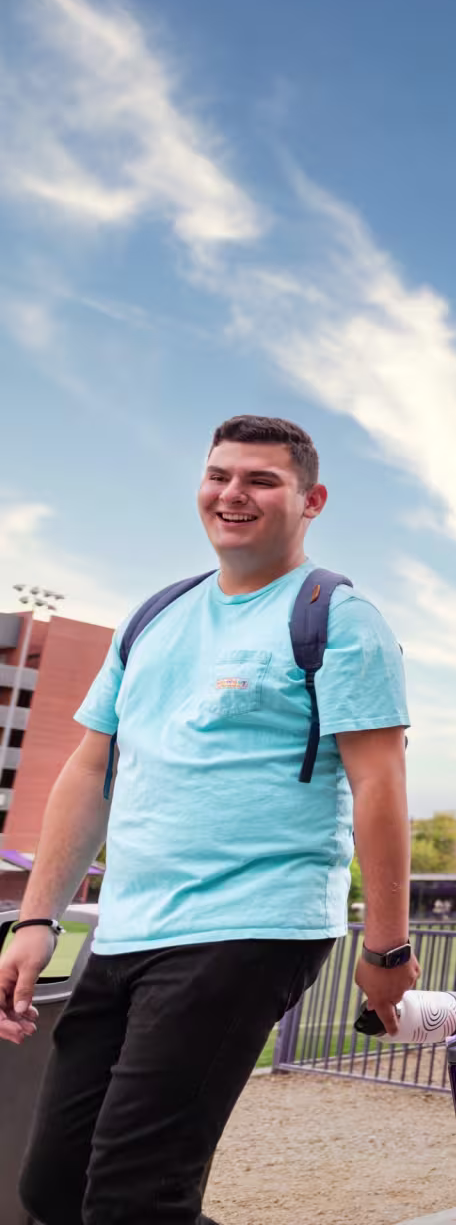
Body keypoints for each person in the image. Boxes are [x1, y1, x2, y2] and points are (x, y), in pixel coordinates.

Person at [0, 415, 415, 1225]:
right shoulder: (154, 617)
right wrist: (37, 917)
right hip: (127, 930)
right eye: (219, 475)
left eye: (261, 480)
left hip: (249, 926)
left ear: (311, 499)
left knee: (132, 1197)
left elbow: (380, 786)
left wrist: (388, 947)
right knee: (52, 1187)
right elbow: (90, 770)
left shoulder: (339, 617)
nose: (233, 493)